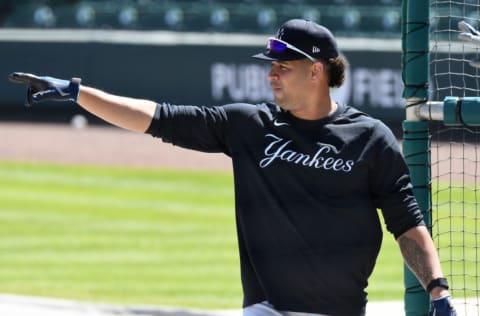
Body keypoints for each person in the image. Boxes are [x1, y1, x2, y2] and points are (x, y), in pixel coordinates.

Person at [8, 19, 456, 316]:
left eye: (282, 65)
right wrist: (76, 91)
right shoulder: (249, 125)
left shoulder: (372, 138)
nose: (271, 74)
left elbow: (407, 225)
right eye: (271, 66)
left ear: (316, 70)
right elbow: (156, 117)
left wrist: (437, 290)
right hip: (265, 308)